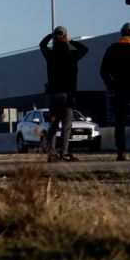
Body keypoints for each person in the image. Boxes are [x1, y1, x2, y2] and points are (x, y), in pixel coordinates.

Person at [39, 26, 89, 160]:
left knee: (54, 124)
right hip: (68, 95)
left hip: (53, 94)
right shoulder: (72, 55)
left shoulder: (50, 55)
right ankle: (64, 152)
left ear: (54, 39)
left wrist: (51, 35)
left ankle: (51, 153)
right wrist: (70, 40)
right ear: (65, 38)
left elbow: (42, 45)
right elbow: (85, 49)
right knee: (67, 125)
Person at [100, 22, 130, 161]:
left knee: (120, 121)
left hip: (121, 87)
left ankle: (121, 151)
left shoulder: (114, 49)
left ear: (122, 34)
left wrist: (112, 85)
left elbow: (104, 71)